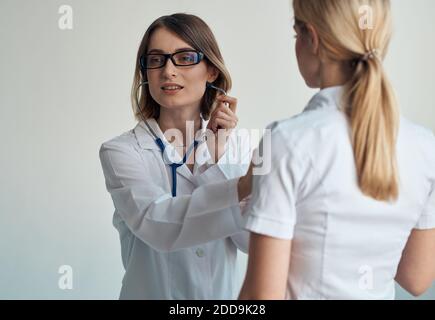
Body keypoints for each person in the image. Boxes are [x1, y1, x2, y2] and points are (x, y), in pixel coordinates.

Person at [238, 0, 435, 299]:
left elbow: (261, 299)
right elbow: (416, 278)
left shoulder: (286, 141)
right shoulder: (425, 146)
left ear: (312, 39)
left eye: (296, 35)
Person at [99, 13, 251, 300]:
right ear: (145, 72)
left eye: (184, 57)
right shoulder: (121, 151)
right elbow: (158, 225)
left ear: (211, 71)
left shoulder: (240, 145)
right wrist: (240, 186)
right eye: (156, 60)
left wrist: (217, 160)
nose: (168, 71)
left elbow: (250, 240)